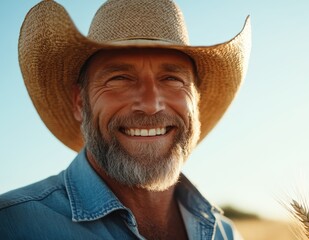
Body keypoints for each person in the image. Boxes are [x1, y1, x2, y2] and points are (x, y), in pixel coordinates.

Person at [0, 0, 251, 239]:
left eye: (172, 79)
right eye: (119, 78)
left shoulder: (225, 234)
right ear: (80, 102)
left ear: (196, 101)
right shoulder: (13, 225)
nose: (151, 105)